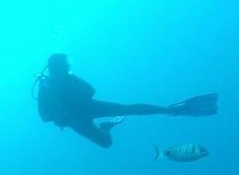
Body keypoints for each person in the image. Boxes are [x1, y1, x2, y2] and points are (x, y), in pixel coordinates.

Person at [36, 53, 218, 148]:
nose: (66, 68)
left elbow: (89, 92)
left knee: (128, 109)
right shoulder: (48, 85)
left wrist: (66, 105)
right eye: (66, 65)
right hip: (80, 115)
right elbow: (89, 91)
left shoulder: (57, 82)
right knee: (108, 139)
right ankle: (107, 127)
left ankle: (171, 109)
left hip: (81, 114)